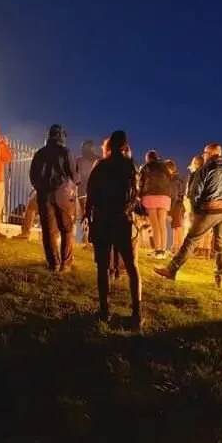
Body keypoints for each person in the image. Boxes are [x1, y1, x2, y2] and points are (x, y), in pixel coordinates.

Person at [155, 144, 222, 289]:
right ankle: (220, 279)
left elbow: (194, 193)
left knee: (191, 241)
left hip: (208, 211)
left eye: (205, 153)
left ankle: (171, 270)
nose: (203, 155)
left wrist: (195, 211)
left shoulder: (205, 169)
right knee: (221, 246)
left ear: (210, 153)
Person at [85, 130, 142, 329]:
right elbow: (135, 194)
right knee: (132, 266)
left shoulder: (101, 166)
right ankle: (137, 313)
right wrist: (127, 211)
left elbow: (90, 193)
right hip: (121, 220)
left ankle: (104, 310)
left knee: (102, 267)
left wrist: (89, 216)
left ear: (109, 146)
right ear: (125, 146)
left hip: (102, 219)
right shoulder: (130, 166)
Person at [29, 124, 78, 272]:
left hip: (44, 194)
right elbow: (74, 175)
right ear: (61, 136)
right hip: (63, 194)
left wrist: (40, 187)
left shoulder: (40, 153)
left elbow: (33, 176)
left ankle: (54, 263)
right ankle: (66, 264)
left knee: (48, 230)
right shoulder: (65, 152)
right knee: (67, 229)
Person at [138, 150, 172, 260]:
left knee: (154, 224)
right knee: (162, 224)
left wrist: (139, 195)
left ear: (148, 158)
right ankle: (163, 250)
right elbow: (170, 181)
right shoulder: (164, 166)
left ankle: (158, 251)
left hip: (150, 196)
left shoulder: (145, 167)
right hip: (164, 196)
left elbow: (141, 182)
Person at [75, 140, 100, 245]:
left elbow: (75, 176)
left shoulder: (79, 160)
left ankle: (81, 239)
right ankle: (89, 239)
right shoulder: (98, 160)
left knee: (81, 215)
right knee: (91, 215)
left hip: (82, 191)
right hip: (95, 192)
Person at [167, 159, 186, 253]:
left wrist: (169, 212)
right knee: (176, 227)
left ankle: (180, 248)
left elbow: (173, 197)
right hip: (178, 206)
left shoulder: (174, 181)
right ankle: (175, 247)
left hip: (176, 206)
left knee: (178, 227)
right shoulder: (177, 179)